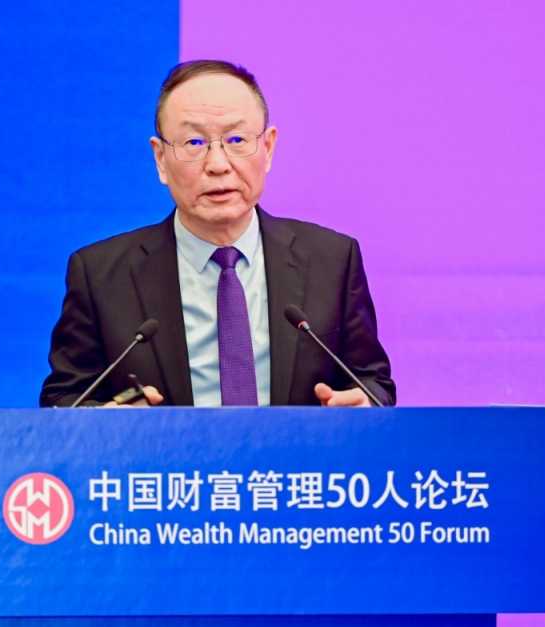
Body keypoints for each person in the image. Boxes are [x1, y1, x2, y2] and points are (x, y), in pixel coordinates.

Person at [40, 60, 395, 408]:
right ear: (160, 159)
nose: (218, 165)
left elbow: (373, 382)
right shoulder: (101, 275)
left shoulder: (332, 260)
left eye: (237, 139)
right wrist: (106, 418)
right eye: (194, 143)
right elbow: (63, 400)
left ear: (268, 148)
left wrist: (362, 402)